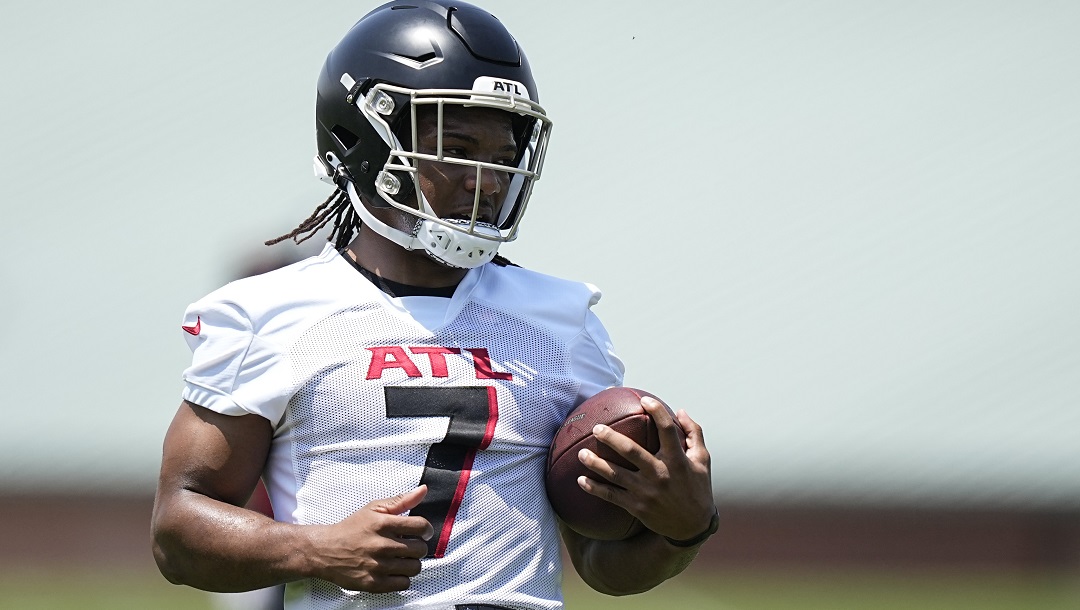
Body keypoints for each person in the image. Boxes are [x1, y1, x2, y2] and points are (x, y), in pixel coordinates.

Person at [151, 2, 717, 609]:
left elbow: (604, 568)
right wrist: (314, 549)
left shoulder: (561, 317)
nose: (489, 178)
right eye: (459, 145)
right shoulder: (274, 314)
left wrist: (683, 529)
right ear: (365, 141)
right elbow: (177, 531)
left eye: (503, 156)